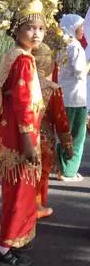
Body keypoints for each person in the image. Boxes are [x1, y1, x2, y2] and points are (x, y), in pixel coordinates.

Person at [0, 0, 57, 266]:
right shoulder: (22, 60)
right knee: (20, 194)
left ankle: (8, 241)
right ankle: (5, 248)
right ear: (17, 29)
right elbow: (21, 105)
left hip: (12, 137)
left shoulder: (16, 56)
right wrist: (30, 141)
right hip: (20, 140)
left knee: (16, 193)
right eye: (30, 27)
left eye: (41, 28)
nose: (36, 33)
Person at [32, 44, 72, 219]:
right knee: (41, 173)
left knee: (26, 173)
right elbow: (60, 119)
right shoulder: (52, 88)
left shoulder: (21, 84)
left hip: (22, 136)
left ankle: (21, 206)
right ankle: (37, 206)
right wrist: (67, 144)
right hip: (44, 140)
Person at [55, 14, 87, 182]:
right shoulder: (75, 46)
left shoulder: (63, 45)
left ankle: (61, 168)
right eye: (81, 26)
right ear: (73, 27)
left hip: (65, 96)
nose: (83, 29)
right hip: (76, 97)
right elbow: (80, 71)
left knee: (64, 133)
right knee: (76, 135)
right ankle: (69, 171)